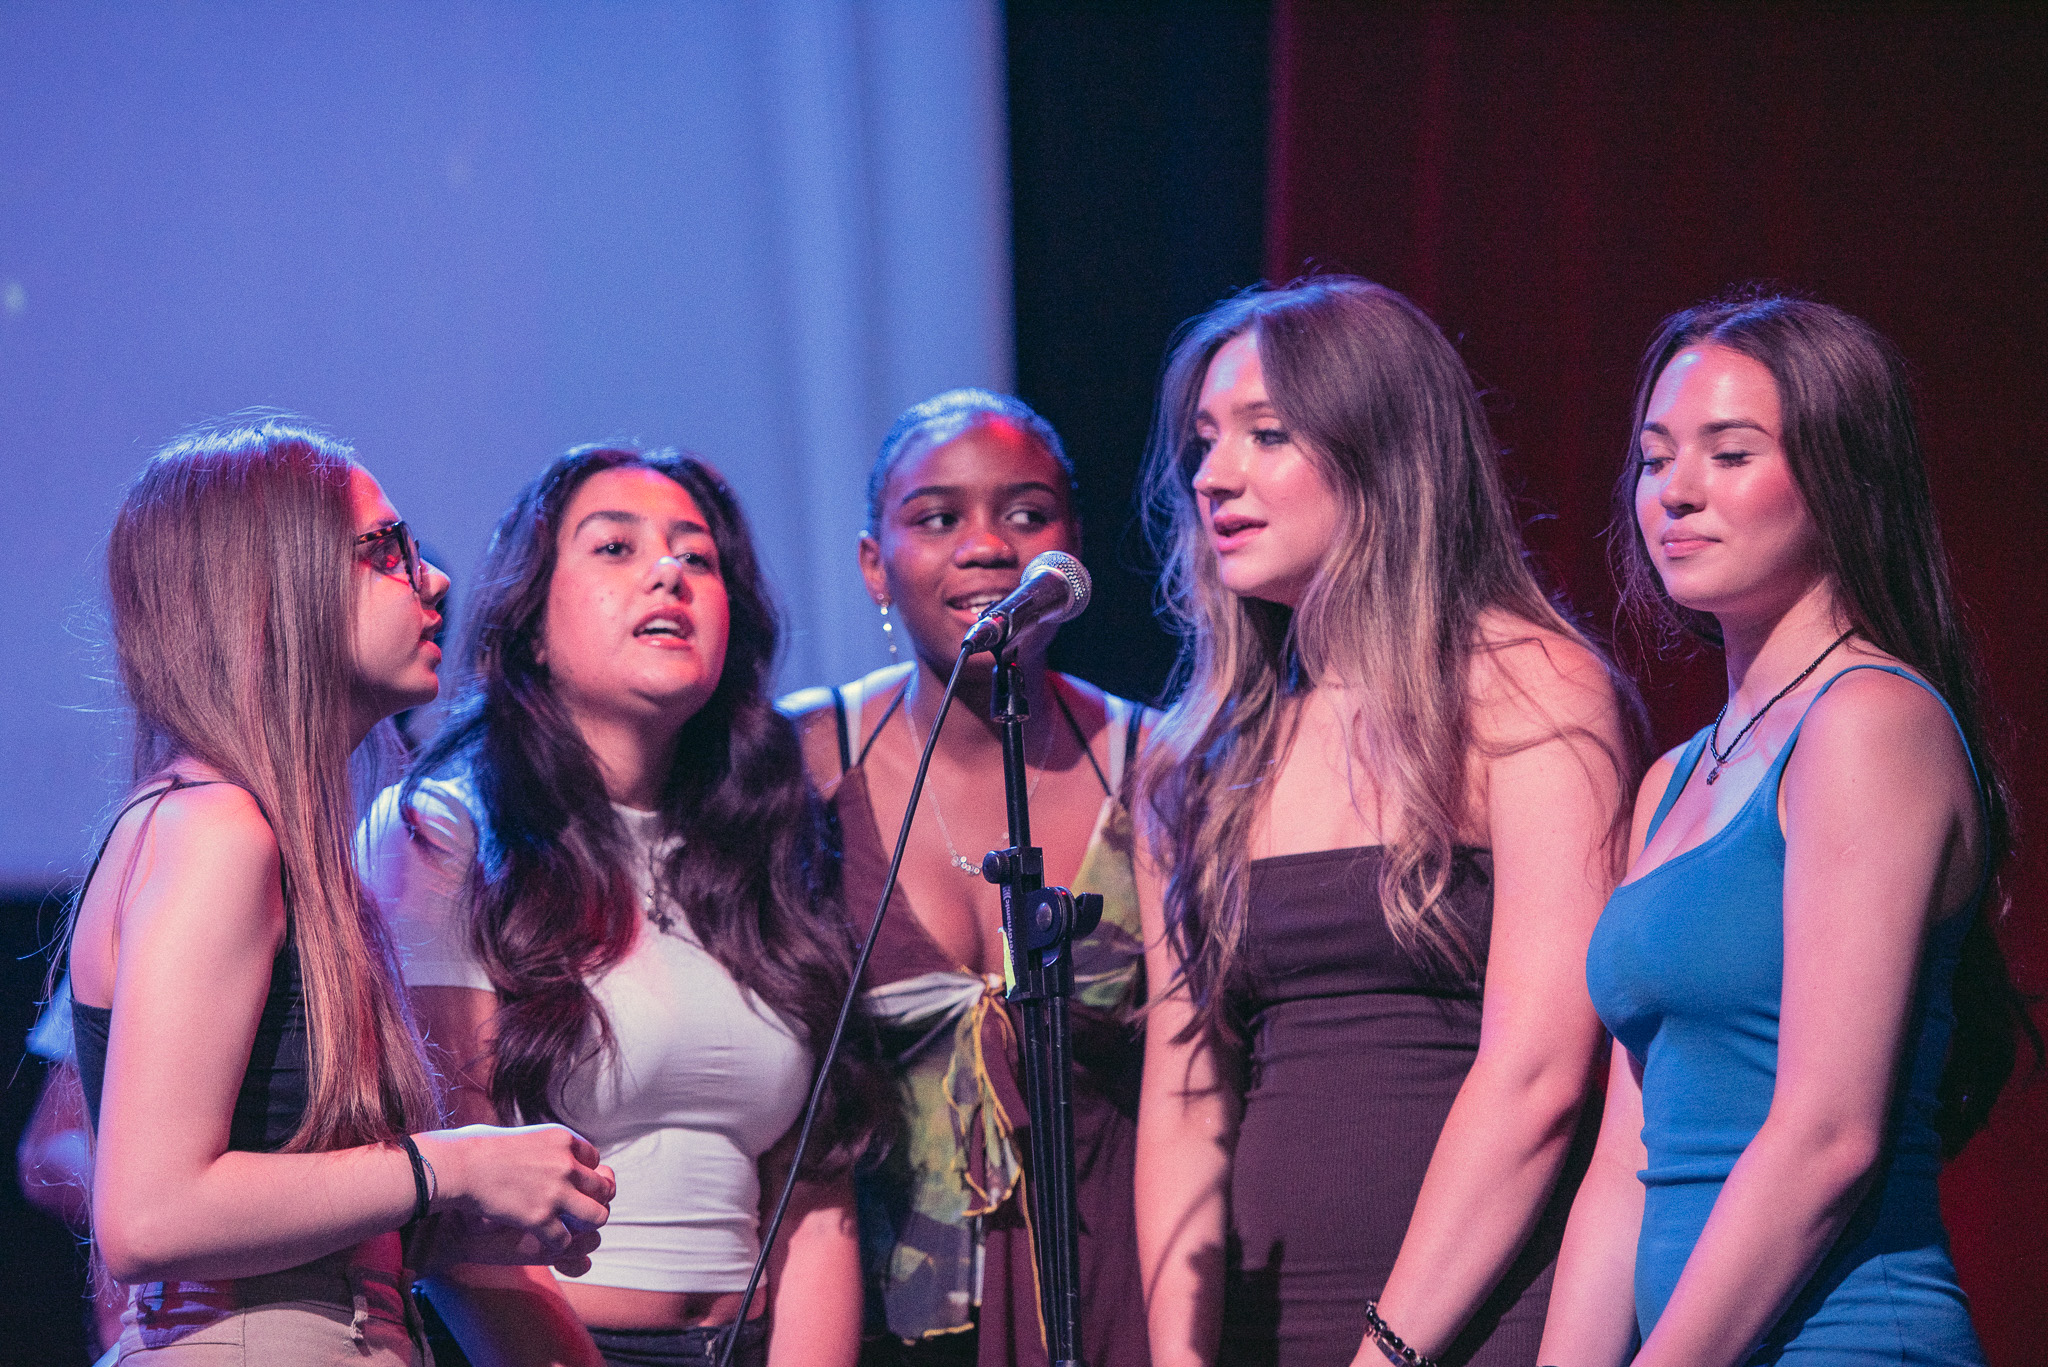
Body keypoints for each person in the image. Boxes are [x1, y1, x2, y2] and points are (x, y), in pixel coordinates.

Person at [1132, 278, 1642, 1367]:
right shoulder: (1194, 759)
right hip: (1264, 1331)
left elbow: (1538, 1070)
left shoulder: (1527, 689)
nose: (1213, 476)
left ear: (1384, 451)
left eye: (1266, 435)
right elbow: (1181, 1098)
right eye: (1204, 442)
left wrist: (1387, 1350)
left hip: (1476, 1320)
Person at [1537, 294, 2036, 1367]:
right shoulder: (1673, 778)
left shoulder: (1867, 722)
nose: (1672, 491)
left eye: (1727, 453)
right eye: (1652, 456)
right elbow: (1626, 1158)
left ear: (1839, 475)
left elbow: (1825, 1134)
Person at [64, 420, 615, 1365]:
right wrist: (452, 1162)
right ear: (269, 588)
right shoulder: (216, 831)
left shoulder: (268, 840)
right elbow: (149, 1213)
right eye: (385, 551)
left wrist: (458, 1211)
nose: (434, 579)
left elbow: (282, 1197)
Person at [361, 445, 880, 1367]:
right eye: (614, 548)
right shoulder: (444, 833)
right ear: (530, 625)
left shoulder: (769, 839)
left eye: (699, 557)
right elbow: (456, 1212)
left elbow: (817, 1188)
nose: (668, 573)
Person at [780, 389, 1151, 1367]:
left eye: (1025, 514)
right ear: (873, 563)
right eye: (936, 517)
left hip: (1120, 1296)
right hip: (868, 1310)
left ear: (1070, 546)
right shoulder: (804, 759)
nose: (986, 545)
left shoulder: (1155, 763)